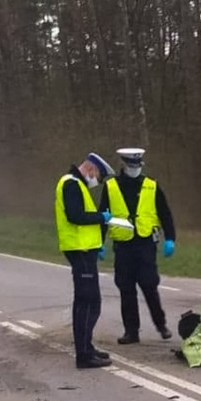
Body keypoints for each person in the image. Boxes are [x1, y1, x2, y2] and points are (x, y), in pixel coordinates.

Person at [99, 148, 176, 345]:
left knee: (150, 286)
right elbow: (102, 215)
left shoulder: (151, 185)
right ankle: (131, 332)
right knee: (126, 289)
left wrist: (170, 238)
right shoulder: (111, 186)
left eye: (138, 165)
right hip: (123, 245)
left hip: (145, 244)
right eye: (132, 165)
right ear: (124, 164)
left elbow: (165, 213)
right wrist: (99, 242)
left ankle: (161, 325)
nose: (135, 169)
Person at [57, 152, 115, 369]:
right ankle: (83, 354)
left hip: (85, 249)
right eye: (98, 177)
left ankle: (87, 347)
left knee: (92, 301)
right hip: (79, 249)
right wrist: (102, 217)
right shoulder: (71, 184)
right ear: (91, 169)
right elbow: (75, 216)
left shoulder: (76, 184)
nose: (97, 182)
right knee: (86, 302)